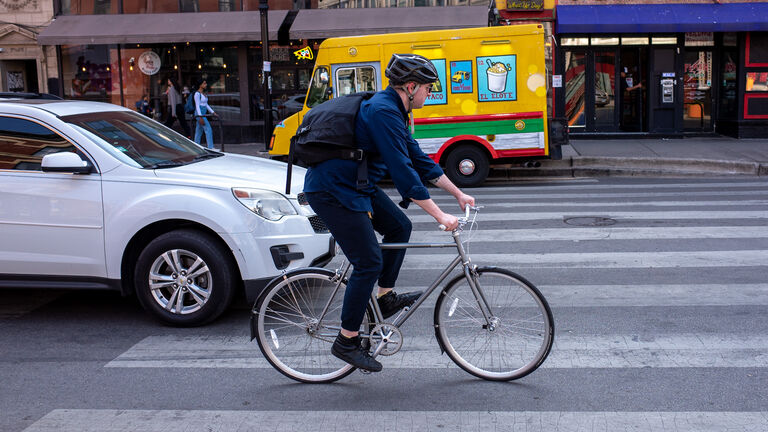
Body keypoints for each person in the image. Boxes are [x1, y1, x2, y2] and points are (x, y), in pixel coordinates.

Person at [303, 53, 475, 373]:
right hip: (332, 189)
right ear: (411, 87)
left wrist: (458, 194)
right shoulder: (383, 110)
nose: (430, 94)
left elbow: (419, 160)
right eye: (428, 88)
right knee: (368, 262)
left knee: (399, 227)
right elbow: (403, 172)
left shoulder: (395, 110)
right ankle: (347, 340)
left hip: (356, 185)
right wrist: (440, 216)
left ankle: (384, 297)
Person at [192, 79, 218, 149]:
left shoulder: (204, 93)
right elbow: (197, 106)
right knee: (208, 129)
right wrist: (200, 117)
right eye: (204, 83)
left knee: (199, 131)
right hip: (199, 114)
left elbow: (206, 105)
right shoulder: (197, 94)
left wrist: (213, 112)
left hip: (203, 113)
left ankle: (195, 146)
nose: (205, 85)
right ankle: (210, 147)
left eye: (205, 83)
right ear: (200, 85)